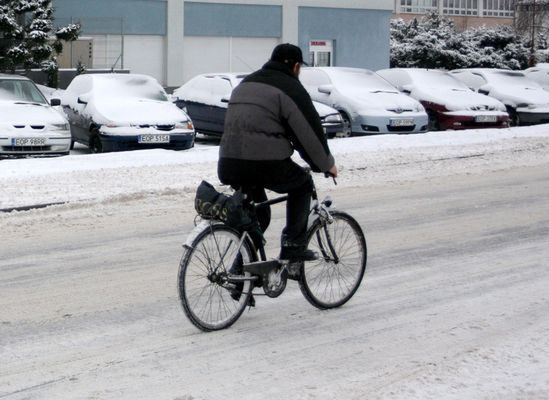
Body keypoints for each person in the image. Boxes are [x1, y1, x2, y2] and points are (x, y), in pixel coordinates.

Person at [218, 43, 338, 262]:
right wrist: (325, 164)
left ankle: (240, 276)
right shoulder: (290, 88)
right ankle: (293, 247)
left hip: (229, 161)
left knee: (258, 216)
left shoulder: (246, 82)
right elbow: (308, 132)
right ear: (295, 66)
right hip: (263, 162)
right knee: (302, 184)